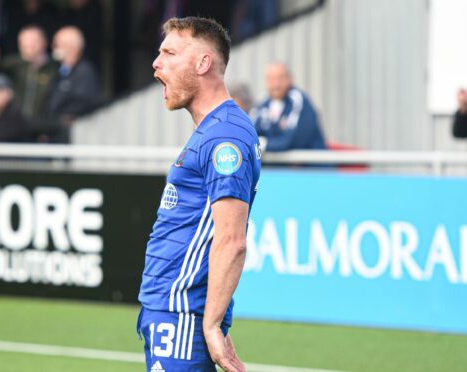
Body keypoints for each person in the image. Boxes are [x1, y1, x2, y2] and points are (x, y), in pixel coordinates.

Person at [137, 17, 261, 372]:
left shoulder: (225, 137)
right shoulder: (213, 130)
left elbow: (231, 239)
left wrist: (209, 323)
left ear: (203, 63)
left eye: (170, 52)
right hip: (172, 308)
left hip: (181, 311)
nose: (156, 63)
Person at [0, 24, 58, 120]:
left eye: (33, 41)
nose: (29, 45)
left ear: (44, 42)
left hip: (44, 124)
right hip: (17, 124)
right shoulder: (15, 64)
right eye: (24, 42)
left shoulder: (54, 67)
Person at [251, 62, 327, 151]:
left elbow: (292, 141)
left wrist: (264, 144)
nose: (276, 84)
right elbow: (251, 134)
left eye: (280, 78)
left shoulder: (298, 100)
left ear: (290, 79)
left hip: (310, 163)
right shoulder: (262, 102)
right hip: (278, 164)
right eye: (271, 79)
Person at [46, 25, 101, 143]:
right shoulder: (57, 70)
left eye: (58, 44)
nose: (54, 48)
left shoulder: (84, 71)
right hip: (53, 133)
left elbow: (84, 101)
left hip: (74, 136)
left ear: (72, 47)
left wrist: (63, 118)